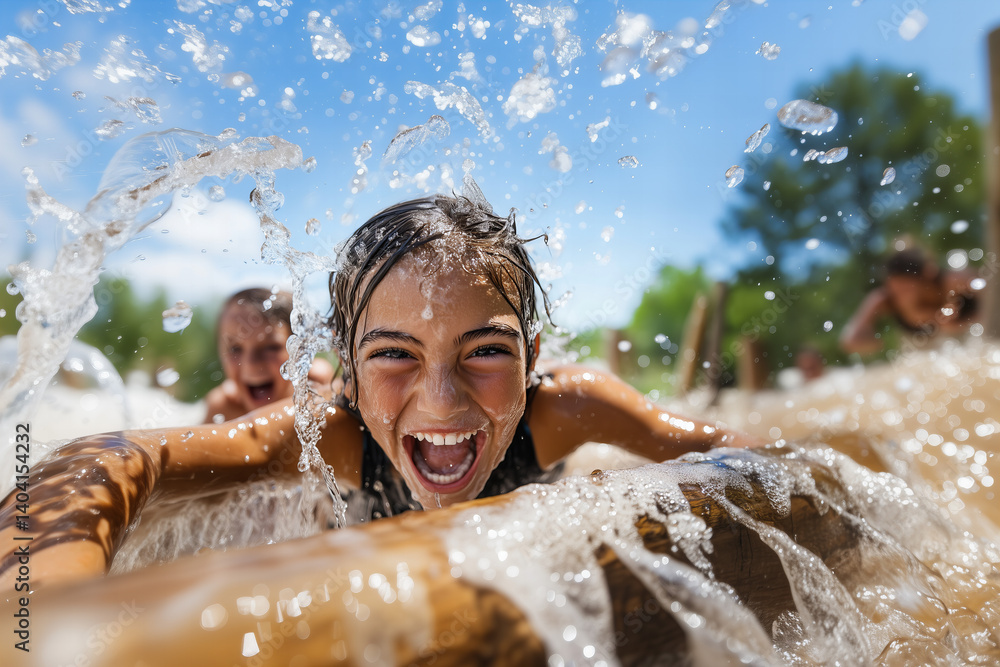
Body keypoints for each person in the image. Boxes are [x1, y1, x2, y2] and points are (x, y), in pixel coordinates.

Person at [1, 190, 765, 586]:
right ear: (348, 366)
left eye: (486, 351)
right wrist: (40, 608)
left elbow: (729, 450)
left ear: (533, 356)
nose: (440, 400)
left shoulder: (565, 409)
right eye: (395, 353)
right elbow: (104, 457)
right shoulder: (327, 432)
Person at [204, 288, 335, 423]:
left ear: (300, 351)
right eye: (235, 349)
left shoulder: (318, 386)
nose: (251, 364)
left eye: (270, 347)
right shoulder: (223, 409)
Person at [839, 247, 983, 355]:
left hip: (975, 339)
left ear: (927, 275)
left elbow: (994, 293)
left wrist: (965, 323)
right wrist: (881, 344)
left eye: (905, 288)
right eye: (895, 290)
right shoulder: (885, 299)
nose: (901, 297)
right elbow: (850, 341)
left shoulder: (955, 282)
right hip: (922, 355)